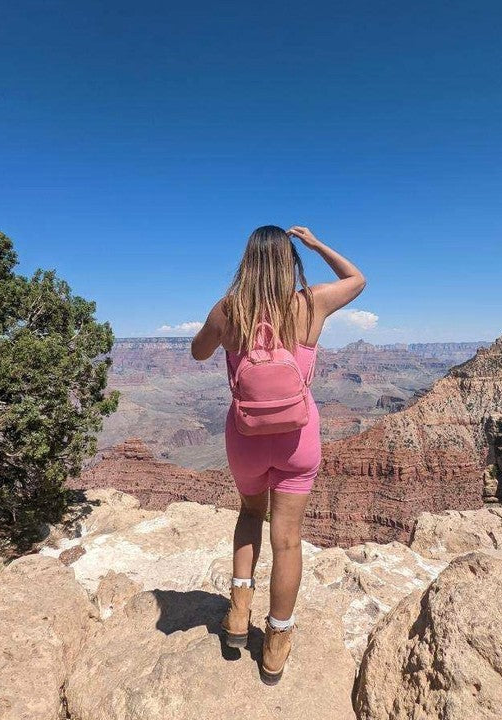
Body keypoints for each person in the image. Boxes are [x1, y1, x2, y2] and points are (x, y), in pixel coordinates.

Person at [190, 224, 366, 684]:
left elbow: (197, 354)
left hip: (245, 439)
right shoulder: (311, 304)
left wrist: (224, 329)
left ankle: (237, 613)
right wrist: (316, 243)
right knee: (286, 539)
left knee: (250, 516)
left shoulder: (229, 310)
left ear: (246, 263)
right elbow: (358, 279)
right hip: (298, 440)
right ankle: (275, 644)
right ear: (290, 264)